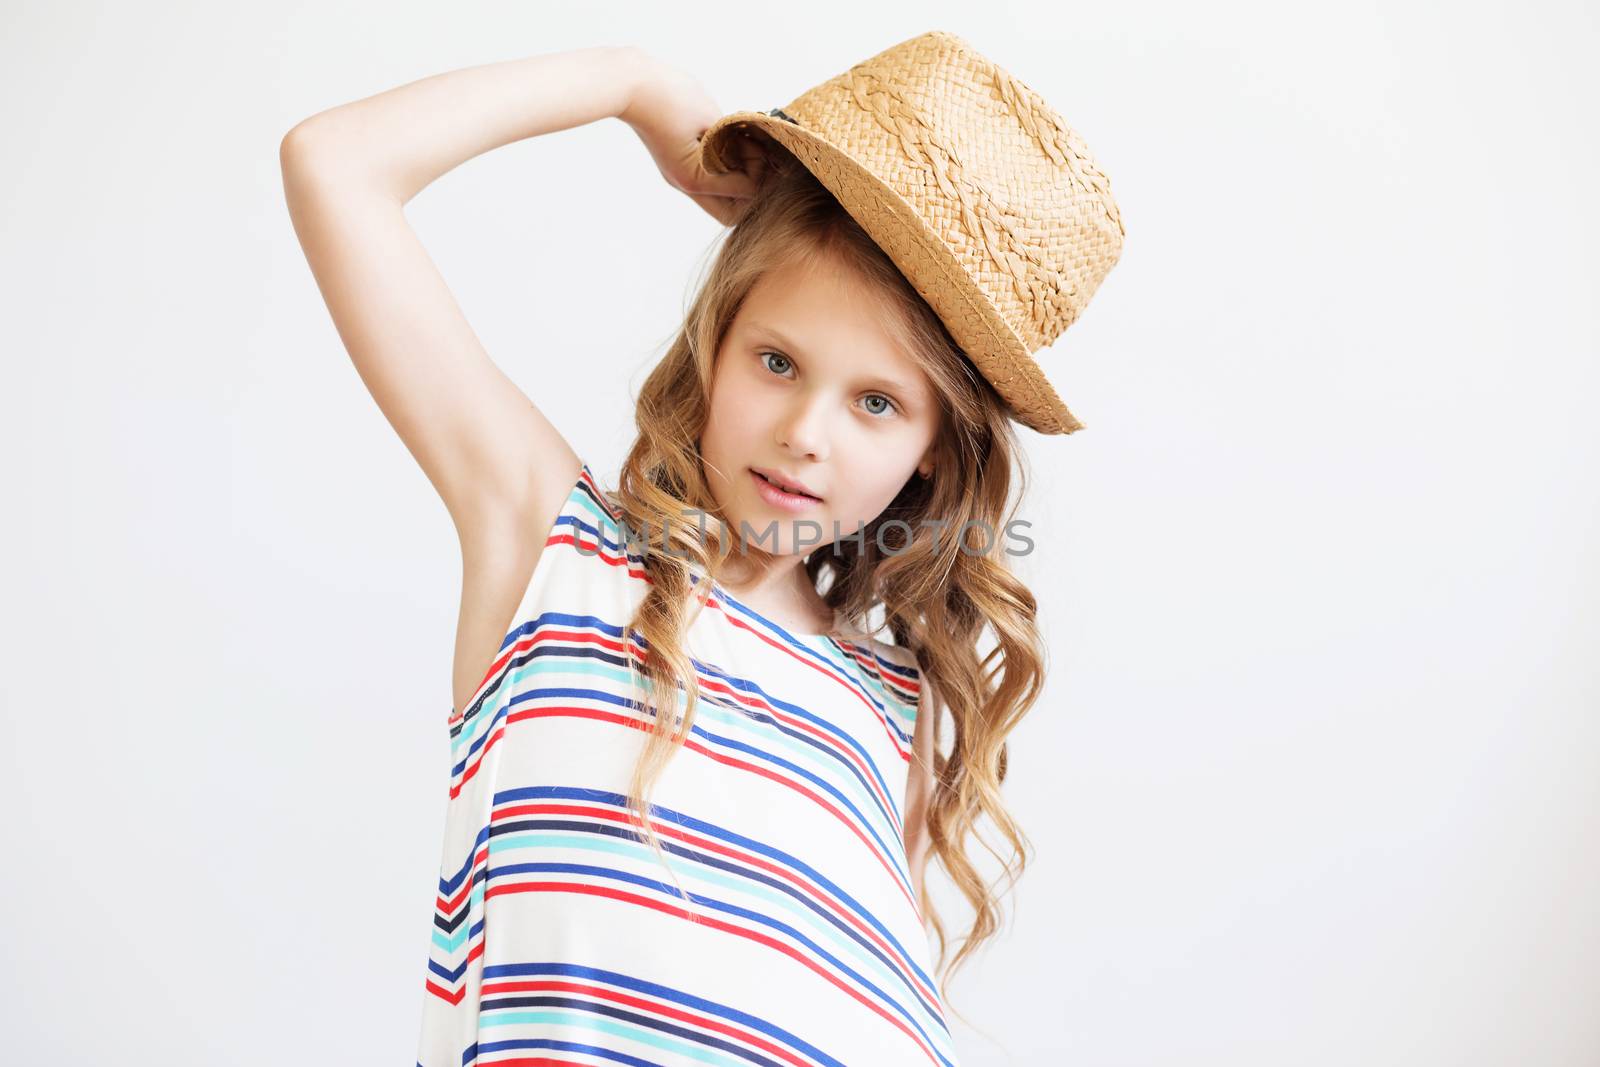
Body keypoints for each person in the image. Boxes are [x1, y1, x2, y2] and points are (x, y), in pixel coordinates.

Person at [281, 30, 1122, 1067]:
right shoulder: (557, 550)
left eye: (875, 401)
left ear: (932, 456)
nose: (805, 431)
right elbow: (335, 164)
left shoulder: (894, 704)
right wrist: (631, 87)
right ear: (712, 347)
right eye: (776, 359)